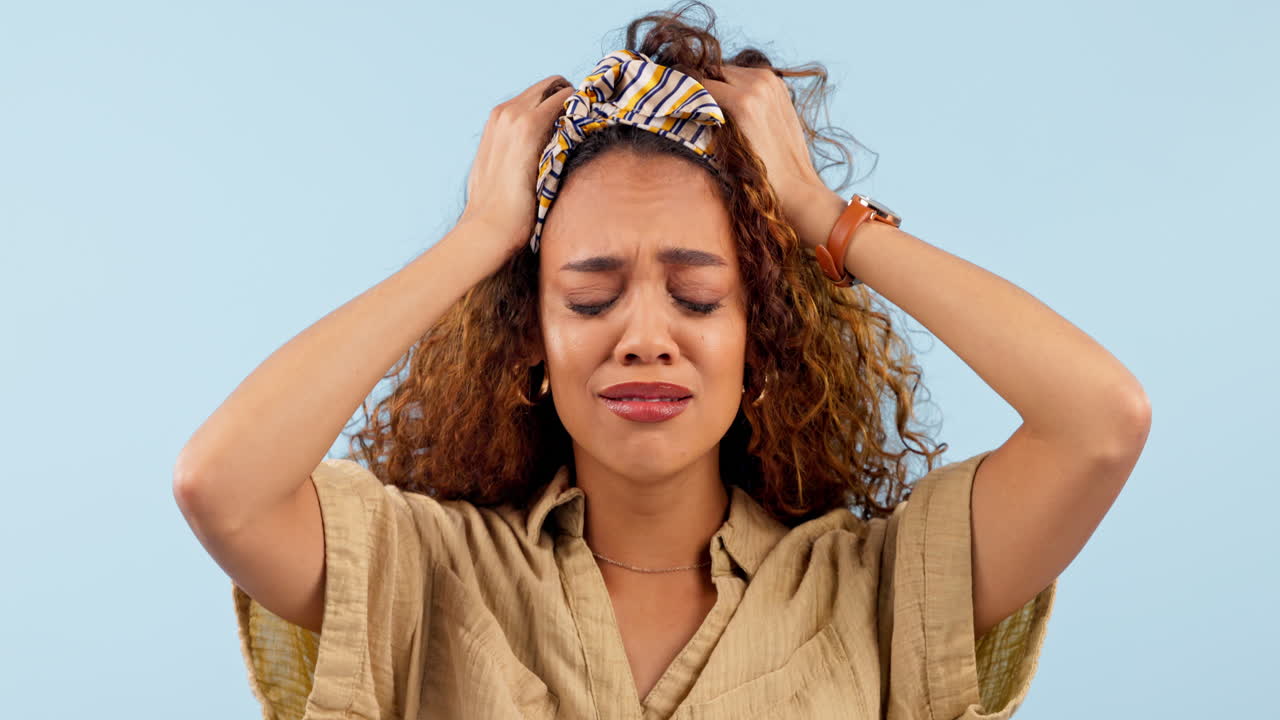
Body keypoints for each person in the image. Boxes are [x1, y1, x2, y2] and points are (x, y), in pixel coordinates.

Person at [173, 3, 1150, 719]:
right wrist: (478, 238)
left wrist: (820, 216)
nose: (644, 334)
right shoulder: (428, 574)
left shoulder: (872, 590)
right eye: (590, 296)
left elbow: (1099, 422)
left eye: (696, 295)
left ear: (758, 344)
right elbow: (223, 486)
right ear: (534, 349)